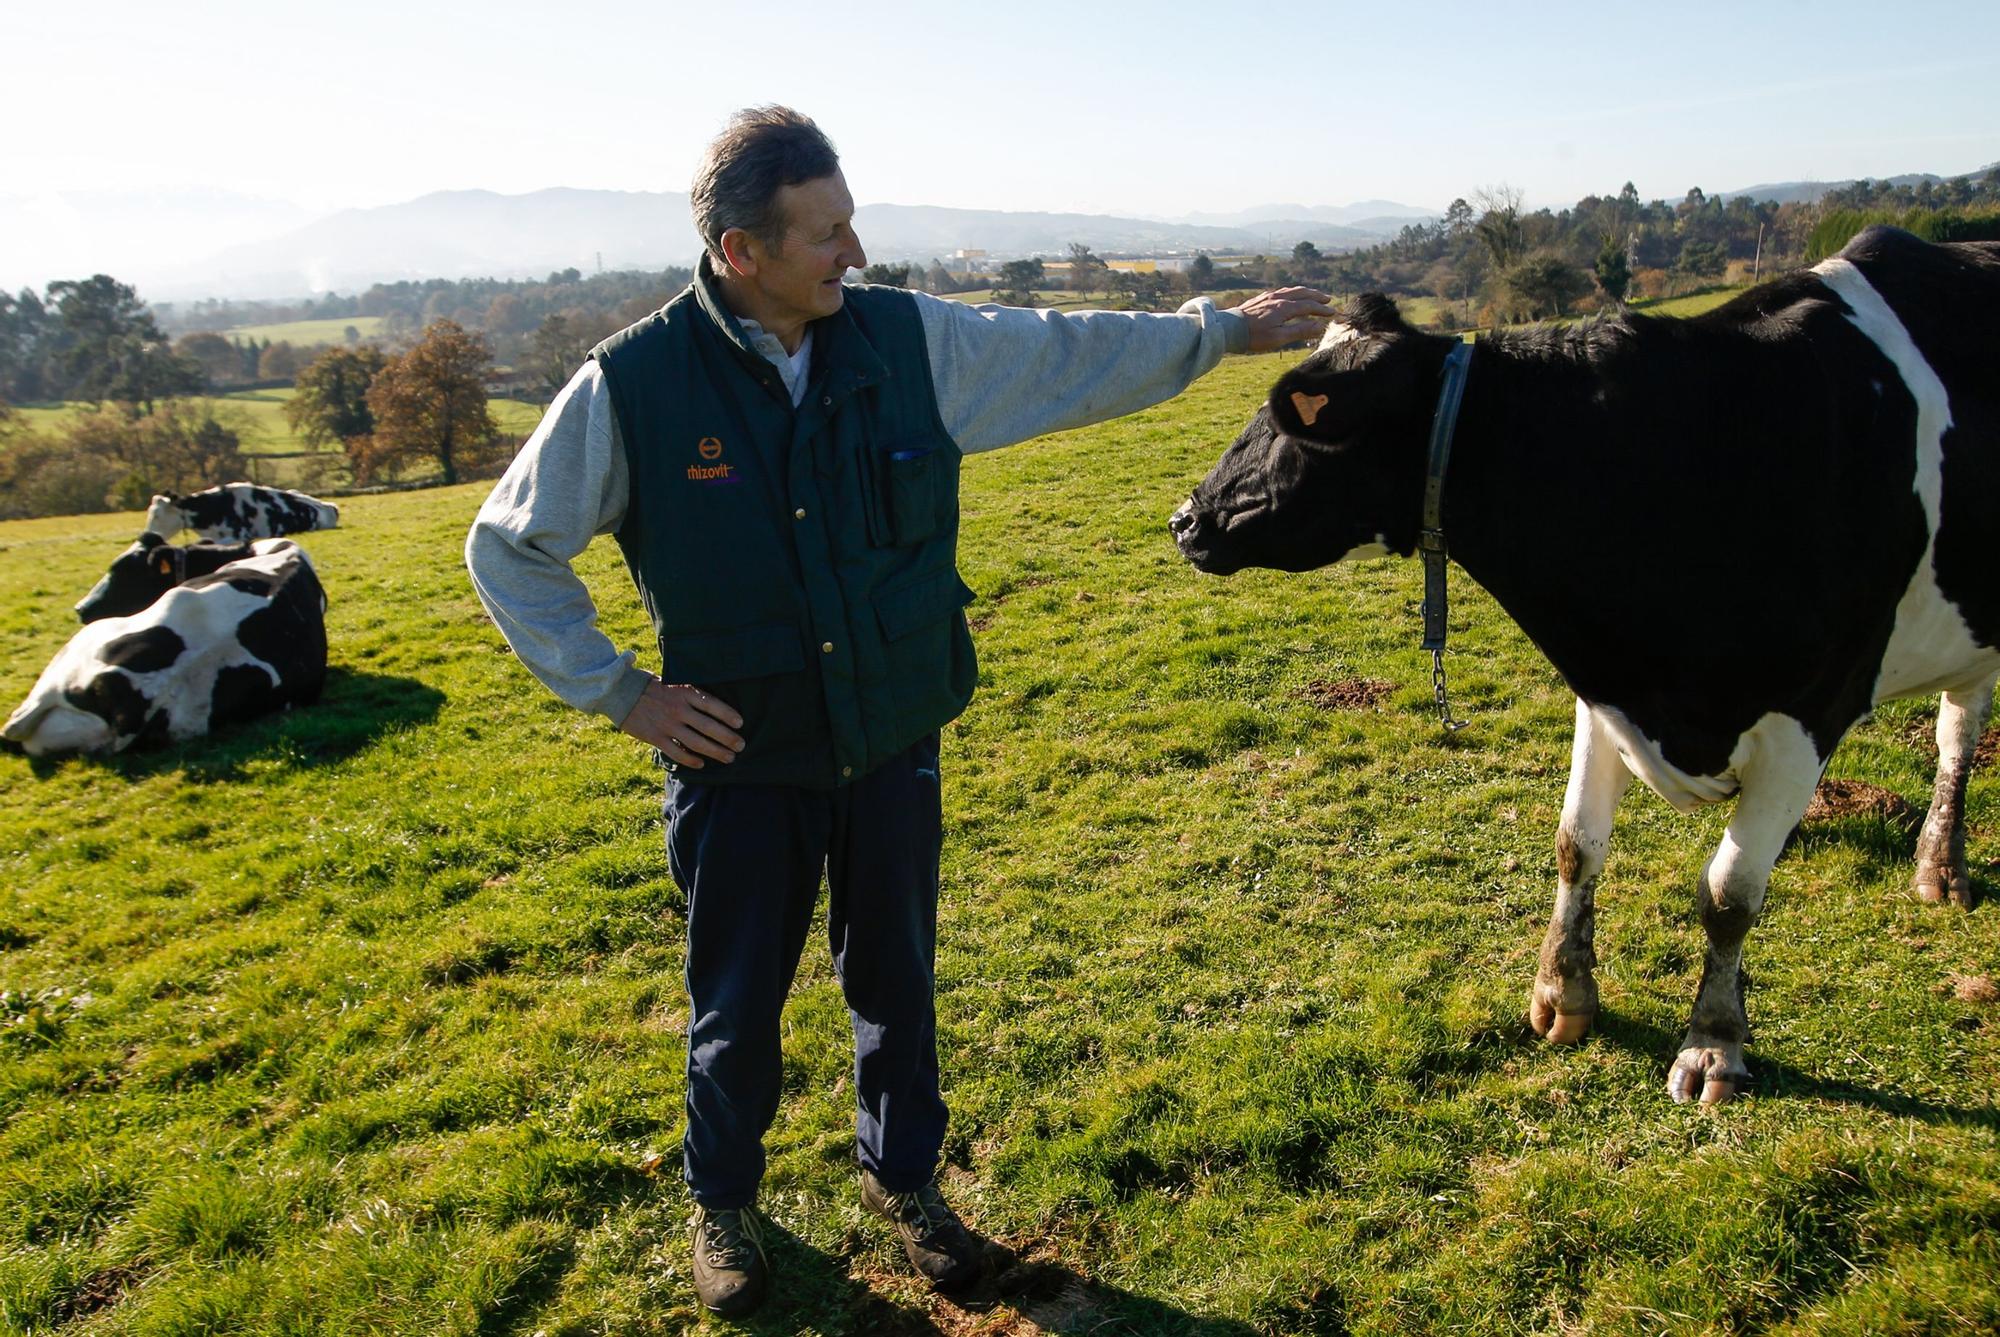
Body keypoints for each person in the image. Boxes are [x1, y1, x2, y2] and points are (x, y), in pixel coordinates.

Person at [465, 105, 1333, 1317]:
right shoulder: (631, 386)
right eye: (825, 234)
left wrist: (1218, 332)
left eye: (852, 223)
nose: (855, 254)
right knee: (736, 1002)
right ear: (739, 253)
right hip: (741, 758)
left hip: (889, 735)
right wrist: (624, 692)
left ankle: (908, 1182)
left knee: (896, 976)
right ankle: (722, 1201)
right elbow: (509, 548)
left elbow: (1063, 352)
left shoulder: (906, 344)